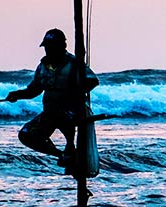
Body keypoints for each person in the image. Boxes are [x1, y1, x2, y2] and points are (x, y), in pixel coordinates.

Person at [6, 29, 99, 171]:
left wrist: (74, 92)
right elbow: (34, 90)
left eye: (52, 47)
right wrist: (17, 95)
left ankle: (70, 148)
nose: (48, 50)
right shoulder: (42, 66)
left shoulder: (74, 63)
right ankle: (61, 154)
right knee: (26, 134)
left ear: (62, 46)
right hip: (50, 112)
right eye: (47, 47)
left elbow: (93, 81)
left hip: (71, 112)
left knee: (61, 120)